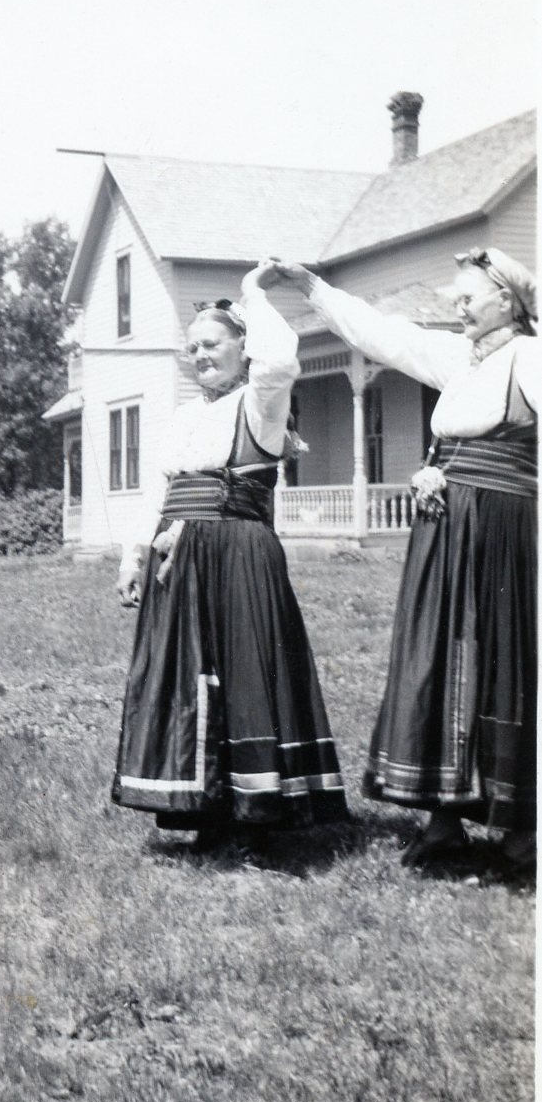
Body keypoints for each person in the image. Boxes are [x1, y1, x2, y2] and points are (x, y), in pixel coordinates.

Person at [270, 248, 538, 874]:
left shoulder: (531, 357)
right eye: (456, 298)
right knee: (436, 656)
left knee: (500, 660)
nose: (458, 307)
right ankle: (442, 823)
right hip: (443, 529)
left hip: (501, 531)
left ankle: (518, 832)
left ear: (507, 300)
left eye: (469, 297)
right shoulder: (459, 357)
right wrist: (312, 287)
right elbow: (381, 335)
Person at [112, 260, 348, 856]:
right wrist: (132, 556)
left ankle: (256, 821)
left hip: (238, 552)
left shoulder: (261, 405)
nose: (200, 356)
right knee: (190, 675)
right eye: (192, 348)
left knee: (246, 675)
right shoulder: (185, 416)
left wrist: (253, 294)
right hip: (177, 559)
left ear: (243, 347)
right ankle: (207, 810)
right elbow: (157, 491)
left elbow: (282, 361)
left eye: (212, 344)